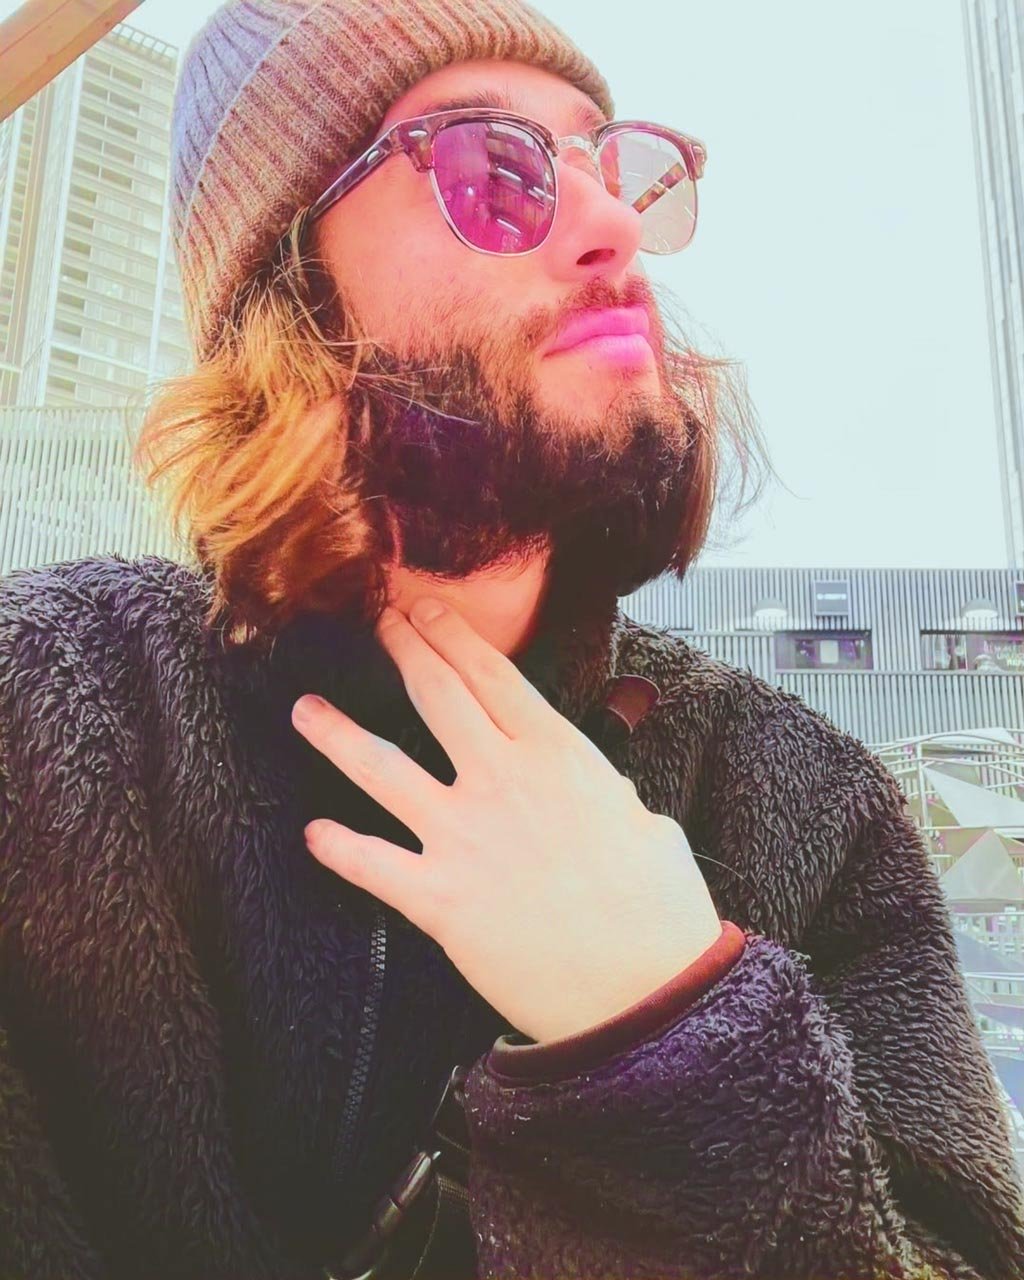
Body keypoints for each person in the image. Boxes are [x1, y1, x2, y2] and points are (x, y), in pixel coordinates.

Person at [1, 0, 1022, 1276]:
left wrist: (662, 1027)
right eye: (493, 170)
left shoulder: (808, 810)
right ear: (293, 289)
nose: (612, 228)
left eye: (610, 167)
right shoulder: (41, 732)